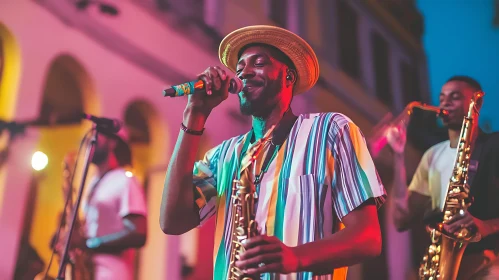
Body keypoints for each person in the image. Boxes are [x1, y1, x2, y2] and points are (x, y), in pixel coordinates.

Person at [160, 25, 387, 279]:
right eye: (240, 67)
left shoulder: (331, 130)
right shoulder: (223, 155)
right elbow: (172, 221)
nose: (244, 72)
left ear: (288, 77)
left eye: (258, 63)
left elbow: (368, 237)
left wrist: (295, 257)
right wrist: (195, 115)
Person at [387, 76, 499, 280]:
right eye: (442, 97)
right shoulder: (432, 155)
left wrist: (486, 226)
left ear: (477, 103)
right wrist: (398, 154)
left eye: (455, 97)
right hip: (442, 265)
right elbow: (402, 219)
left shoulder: (494, 145)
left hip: (488, 265)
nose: (445, 103)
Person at [70, 126, 148, 280]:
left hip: (112, 273)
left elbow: (138, 233)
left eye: (96, 137)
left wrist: (90, 243)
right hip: (89, 271)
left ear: (112, 142)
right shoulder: (95, 181)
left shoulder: (125, 180)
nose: (90, 142)